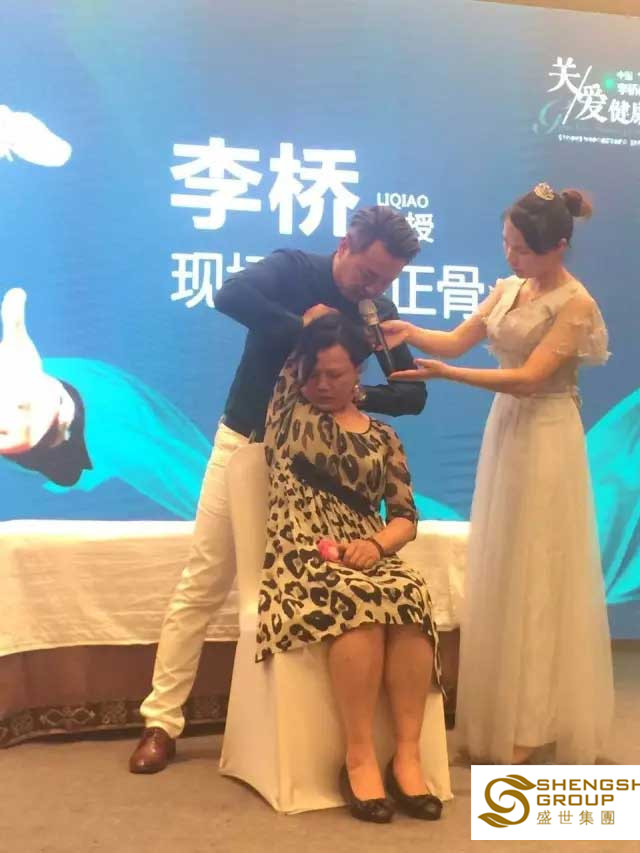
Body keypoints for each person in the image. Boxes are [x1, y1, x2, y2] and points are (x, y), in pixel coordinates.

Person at [129, 206, 427, 773]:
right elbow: (230, 295)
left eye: (386, 282)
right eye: (368, 275)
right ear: (345, 245)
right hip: (249, 444)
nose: (373, 290)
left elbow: (412, 395)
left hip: (321, 471)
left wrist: (358, 395)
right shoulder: (294, 269)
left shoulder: (376, 313)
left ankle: (332, 740)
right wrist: (304, 328)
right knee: (205, 579)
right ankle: (161, 722)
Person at [382, 184, 614, 764]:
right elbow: (459, 340)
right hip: (507, 431)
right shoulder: (510, 287)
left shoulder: (576, 303)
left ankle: (534, 720)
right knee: (506, 562)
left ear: (558, 247)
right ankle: (506, 708)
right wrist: (409, 333)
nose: (511, 256)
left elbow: (531, 379)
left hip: (548, 436)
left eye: (522, 249)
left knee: (540, 572)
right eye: (507, 244)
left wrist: (449, 377)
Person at [258, 314, 443, 823]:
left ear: (358, 371)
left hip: (366, 548)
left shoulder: (383, 436)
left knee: (409, 593)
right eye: (313, 373)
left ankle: (407, 756)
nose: (321, 384)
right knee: (357, 598)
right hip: (300, 552)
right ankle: (358, 757)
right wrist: (325, 319)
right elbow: (295, 342)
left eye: (335, 374)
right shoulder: (288, 411)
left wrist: (376, 546)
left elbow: (404, 518)